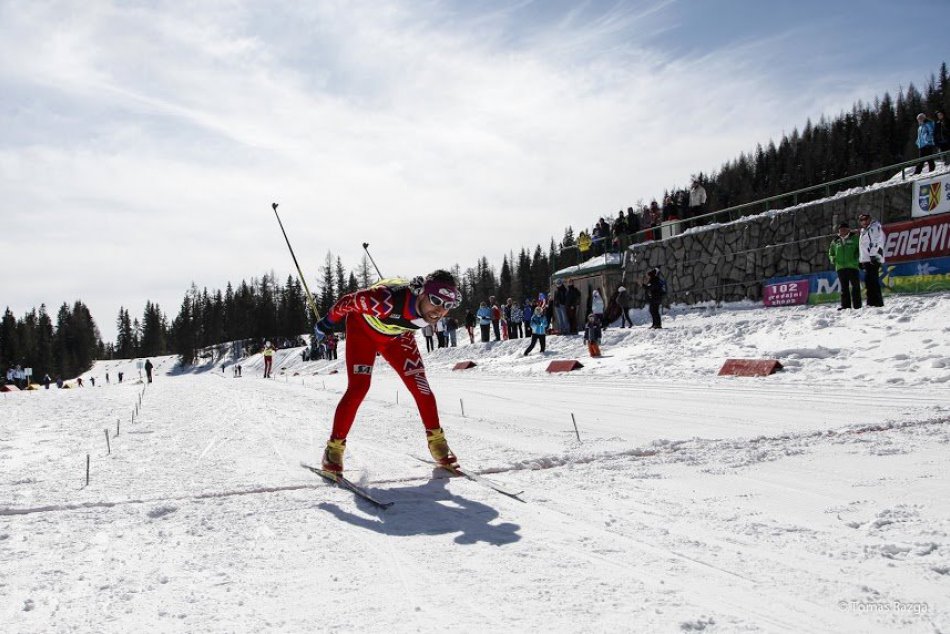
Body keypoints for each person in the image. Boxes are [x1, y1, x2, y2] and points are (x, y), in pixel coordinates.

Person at [313, 270, 462, 474]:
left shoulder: (430, 309)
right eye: (435, 300)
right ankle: (334, 449)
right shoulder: (385, 301)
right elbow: (348, 301)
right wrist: (327, 322)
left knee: (421, 388)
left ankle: (437, 444)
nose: (439, 310)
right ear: (421, 293)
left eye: (448, 305)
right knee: (359, 387)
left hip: (397, 338)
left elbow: (420, 314)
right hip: (363, 332)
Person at [828, 221, 862, 310]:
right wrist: (833, 259)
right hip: (840, 267)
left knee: (855, 286)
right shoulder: (835, 241)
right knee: (844, 288)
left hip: (853, 266)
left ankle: (857, 306)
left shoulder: (855, 238)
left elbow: (860, 249)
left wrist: (857, 257)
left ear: (848, 230)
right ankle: (845, 306)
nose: (842, 231)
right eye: (840, 230)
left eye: (844, 229)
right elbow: (831, 252)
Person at [858, 213, 886, 307]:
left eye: (865, 219)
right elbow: (863, 246)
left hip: (873, 258)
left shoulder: (874, 228)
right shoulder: (864, 231)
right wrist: (861, 260)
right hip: (867, 259)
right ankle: (871, 301)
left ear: (870, 219)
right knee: (868, 281)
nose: (864, 221)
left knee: (873, 280)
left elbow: (877, 242)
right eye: (861, 220)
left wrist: (873, 255)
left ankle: (877, 302)